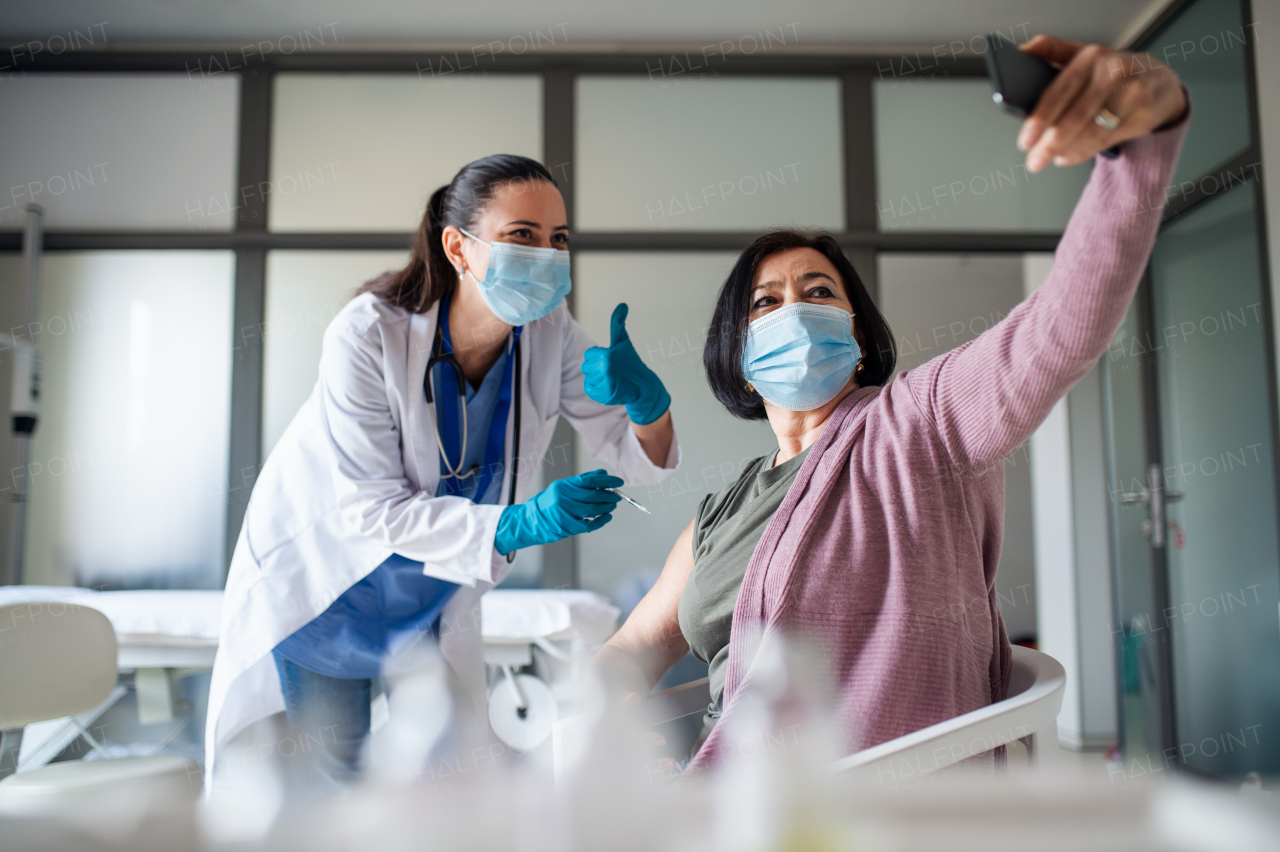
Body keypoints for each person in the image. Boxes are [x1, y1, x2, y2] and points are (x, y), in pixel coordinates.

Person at [595, 34, 1190, 769]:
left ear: (858, 333)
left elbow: (1064, 328)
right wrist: (603, 715)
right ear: (741, 364)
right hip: (731, 796)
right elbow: (631, 649)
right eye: (766, 303)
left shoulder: (922, 424)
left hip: (879, 807)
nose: (795, 311)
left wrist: (1145, 135)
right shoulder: (719, 515)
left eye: (819, 293)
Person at [206, 154, 680, 793]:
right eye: (522, 236)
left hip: (434, 588)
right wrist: (520, 523)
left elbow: (637, 458)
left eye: (558, 239)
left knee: (451, 776)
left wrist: (649, 406)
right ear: (458, 247)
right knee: (339, 783)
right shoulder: (368, 334)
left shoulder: (549, 334)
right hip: (329, 584)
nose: (546, 254)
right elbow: (368, 511)